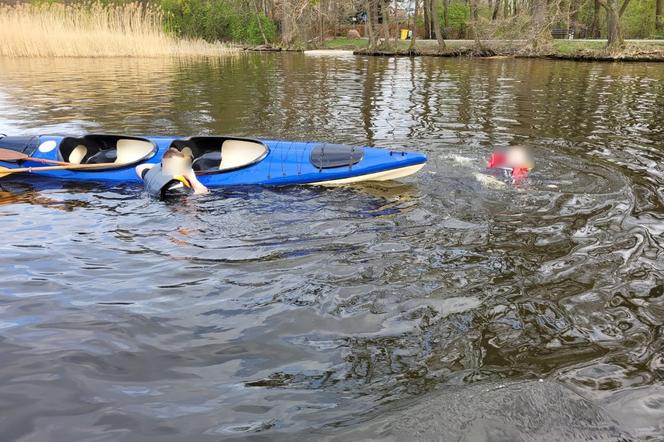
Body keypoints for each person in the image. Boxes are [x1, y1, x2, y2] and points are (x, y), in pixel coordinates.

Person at [136, 147, 208, 197]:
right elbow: (203, 192)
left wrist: (163, 166)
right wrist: (192, 178)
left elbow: (139, 167)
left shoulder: (150, 174)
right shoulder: (176, 185)